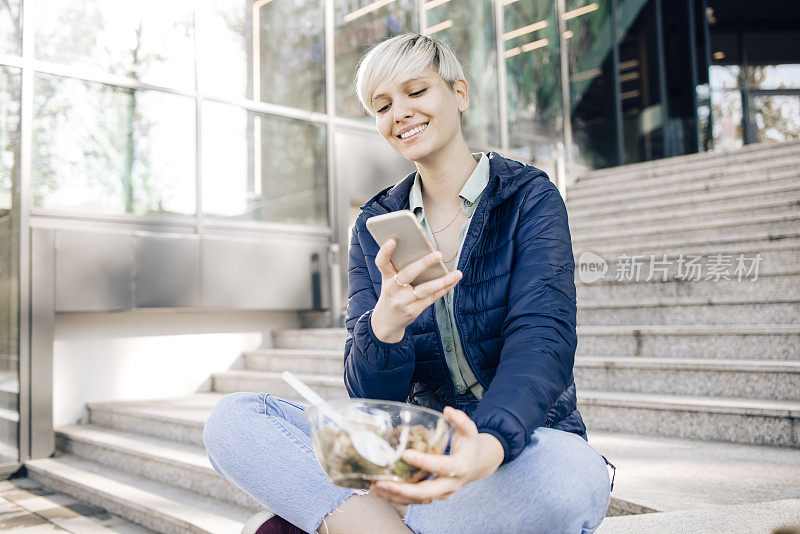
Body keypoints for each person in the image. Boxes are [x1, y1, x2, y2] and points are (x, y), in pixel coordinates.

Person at [203, 33, 611, 534]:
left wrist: (487, 445)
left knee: (571, 480)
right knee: (235, 419)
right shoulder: (376, 223)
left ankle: (361, 519)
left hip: (518, 443)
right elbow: (366, 395)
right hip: (416, 446)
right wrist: (385, 327)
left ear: (459, 94)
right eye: (383, 104)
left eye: (416, 92)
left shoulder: (528, 197)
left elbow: (543, 336)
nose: (400, 112)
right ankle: (392, 521)